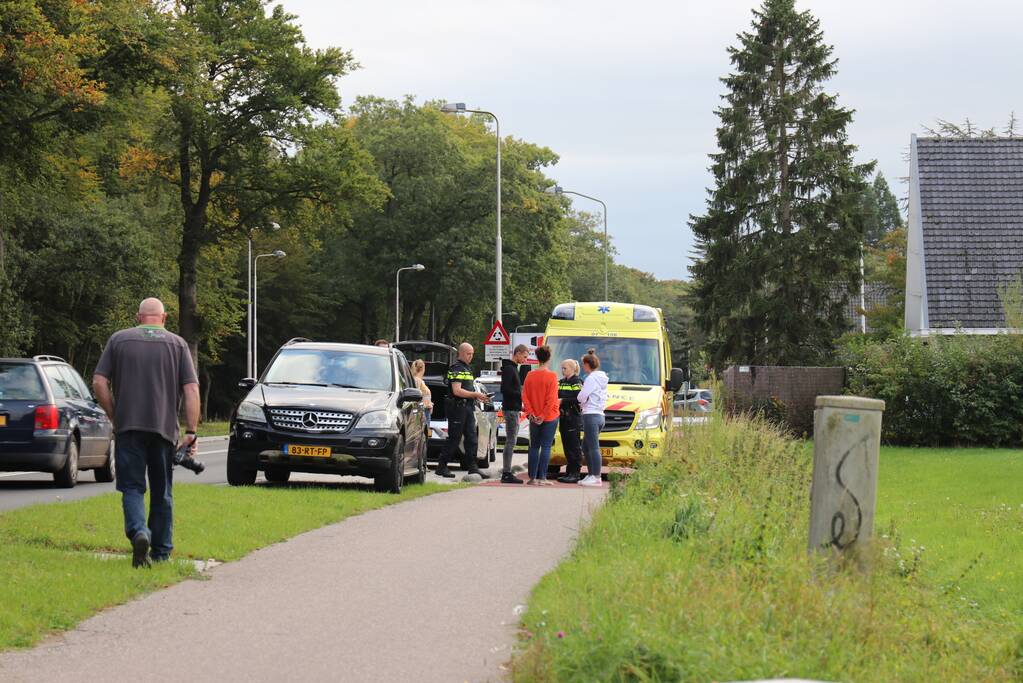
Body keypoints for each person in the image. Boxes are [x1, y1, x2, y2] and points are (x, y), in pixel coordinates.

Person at [92, 298, 200, 568]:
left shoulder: (119, 340)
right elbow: (192, 390)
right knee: (162, 491)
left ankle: (139, 532)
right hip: (164, 430)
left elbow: (99, 381)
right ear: (164, 317)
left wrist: (114, 414)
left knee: (132, 488)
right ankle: (161, 553)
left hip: (128, 429)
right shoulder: (178, 344)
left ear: (138, 316)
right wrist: (191, 431)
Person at [435, 342, 491, 479]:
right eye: (468, 353)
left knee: (472, 439)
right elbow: (457, 390)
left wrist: (479, 397)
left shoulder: (467, 368)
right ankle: (441, 466)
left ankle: (473, 468)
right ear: (460, 353)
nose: (470, 356)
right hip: (458, 408)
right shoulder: (457, 368)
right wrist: (476, 395)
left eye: (472, 354)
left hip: (468, 407)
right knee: (454, 438)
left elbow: (468, 389)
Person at [522, 345, 559, 486]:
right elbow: (551, 399)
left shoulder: (530, 375)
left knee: (534, 447)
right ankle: (542, 477)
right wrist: (543, 415)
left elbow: (525, 396)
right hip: (549, 417)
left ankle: (532, 478)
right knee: (546, 447)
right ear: (549, 358)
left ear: (537, 358)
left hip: (533, 417)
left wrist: (531, 413)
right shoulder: (552, 376)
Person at [498, 344, 530, 484]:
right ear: (517, 353)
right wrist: (521, 395)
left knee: (511, 440)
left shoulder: (512, 368)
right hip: (511, 409)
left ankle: (507, 471)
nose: (525, 360)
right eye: (524, 356)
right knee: (511, 441)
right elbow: (505, 389)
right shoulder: (510, 369)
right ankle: (506, 472)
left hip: (514, 408)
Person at [577, 351, 608, 487]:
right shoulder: (602, 378)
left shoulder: (590, 379)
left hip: (591, 415)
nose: (583, 367)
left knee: (593, 447)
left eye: (584, 364)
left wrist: (581, 401)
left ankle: (596, 476)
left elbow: (581, 396)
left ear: (587, 364)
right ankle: (590, 474)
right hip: (600, 415)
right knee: (586, 445)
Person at [556, 359, 584, 484]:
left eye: (565, 368)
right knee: (567, 446)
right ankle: (569, 472)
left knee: (574, 446)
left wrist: (563, 401)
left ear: (573, 369)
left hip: (573, 418)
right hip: (563, 418)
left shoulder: (576, 382)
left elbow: (578, 398)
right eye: (562, 368)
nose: (563, 370)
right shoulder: (561, 382)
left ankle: (575, 473)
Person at [410, 358, 433, 434]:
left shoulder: (419, 380)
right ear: (422, 368)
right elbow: (415, 397)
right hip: (422, 412)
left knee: (424, 435)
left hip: (425, 410)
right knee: (423, 435)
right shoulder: (417, 380)